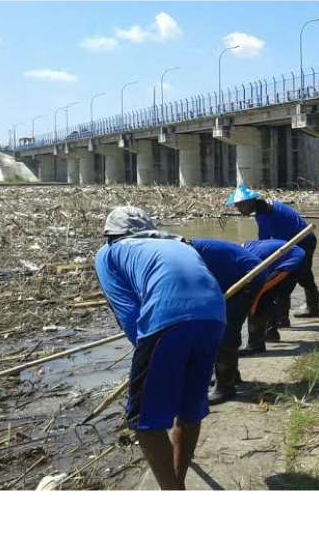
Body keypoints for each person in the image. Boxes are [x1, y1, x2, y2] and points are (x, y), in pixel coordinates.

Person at [94, 206, 226, 490]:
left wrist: (146, 355)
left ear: (109, 235)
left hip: (167, 318)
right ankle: (177, 484)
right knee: (189, 409)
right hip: (214, 317)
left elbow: (128, 313)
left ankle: (172, 492)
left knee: (145, 422)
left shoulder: (108, 253)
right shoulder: (176, 241)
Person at [187, 238, 269, 404]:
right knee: (222, 327)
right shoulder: (189, 250)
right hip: (236, 278)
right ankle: (231, 376)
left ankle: (225, 388)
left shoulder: (189, 254)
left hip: (248, 278)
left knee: (225, 331)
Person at [227, 185, 319, 319]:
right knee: (302, 276)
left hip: (302, 242)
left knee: (288, 279)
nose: (238, 209)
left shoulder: (264, 214)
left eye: (240, 206)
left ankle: (284, 318)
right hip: (299, 241)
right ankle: (308, 309)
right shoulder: (268, 206)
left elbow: (264, 242)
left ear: (249, 203)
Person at [242, 239, 307, 346]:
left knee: (259, 298)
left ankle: (255, 345)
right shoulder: (246, 248)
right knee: (267, 296)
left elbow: (261, 287)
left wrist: (254, 302)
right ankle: (271, 333)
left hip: (292, 262)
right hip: (292, 255)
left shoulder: (247, 259)